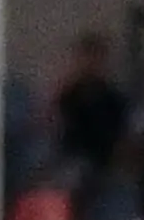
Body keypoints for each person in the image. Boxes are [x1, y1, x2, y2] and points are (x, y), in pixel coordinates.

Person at [51, 32, 130, 183]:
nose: (91, 64)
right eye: (86, 57)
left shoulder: (114, 98)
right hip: (71, 158)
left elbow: (121, 136)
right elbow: (54, 126)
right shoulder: (68, 95)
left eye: (96, 58)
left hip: (104, 162)